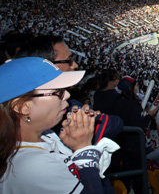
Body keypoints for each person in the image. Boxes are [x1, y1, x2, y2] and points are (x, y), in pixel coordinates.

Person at [0, 57, 119, 193]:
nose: (67, 95)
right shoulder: (30, 166)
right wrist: (83, 149)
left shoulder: (46, 134)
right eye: (58, 92)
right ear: (23, 107)